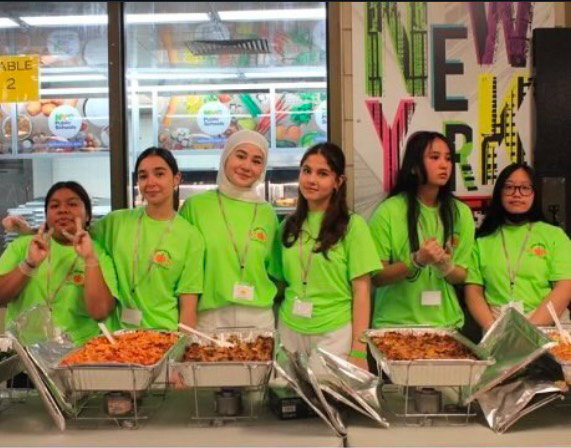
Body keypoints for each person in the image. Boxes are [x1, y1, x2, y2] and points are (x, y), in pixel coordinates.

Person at [274, 142, 380, 369]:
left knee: (326, 399)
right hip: (289, 328)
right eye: (306, 171)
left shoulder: (353, 227)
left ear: (338, 182)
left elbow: (362, 291)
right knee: (288, 399)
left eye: (322, 174)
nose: (312, 180)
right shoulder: (286, 227)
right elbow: (280, 282)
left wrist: (359, 351)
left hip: (334, 331)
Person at [368, 131, 475, 329]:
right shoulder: (389, 211)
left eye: (448, 159)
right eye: (434, 157)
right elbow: (377, 277)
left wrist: (446, 266)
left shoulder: (461, 212)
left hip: (446, 324)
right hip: (395, 325)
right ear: (415, 166)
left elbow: (463, 275)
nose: (444, 165)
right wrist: (416, 261)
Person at [92, 147, 205, 330]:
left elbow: (188, 308)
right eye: (143, 176)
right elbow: (76, 234)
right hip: (117, 341)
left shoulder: (191, 238)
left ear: (176, 179)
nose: (150, 182)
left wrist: (181, 347)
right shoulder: (115, 222)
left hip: (164, 339)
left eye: (159, 174)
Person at [178, 130, 280, 331]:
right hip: (208, 318)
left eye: (256, 161)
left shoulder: (267, 213)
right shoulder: (195, 207)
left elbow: (275, 271)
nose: (246, 166)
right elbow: (184, 268)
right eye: (240, 156)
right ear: (225, 157)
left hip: (259, 318)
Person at [0, 181, 118, 345]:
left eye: (72, 204)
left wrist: (90, 260)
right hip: (24, 355)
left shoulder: (98, 254)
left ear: (88, 215)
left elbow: (100, 312)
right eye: (54, 206)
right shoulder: (23, 246)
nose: (63, 210)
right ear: (46, 215)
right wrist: (29, 264)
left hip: (79, 355)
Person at [465, 163, 571, 330]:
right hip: (496, 326)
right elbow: (473, 291)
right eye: (509, 187)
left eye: (525, 188)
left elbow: (564, 288)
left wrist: (529, 329)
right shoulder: (481, 240)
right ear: (499, 193)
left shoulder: (554, 235)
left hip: (546, 325)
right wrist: (492, 328)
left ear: (535, 194)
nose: (516, 194)